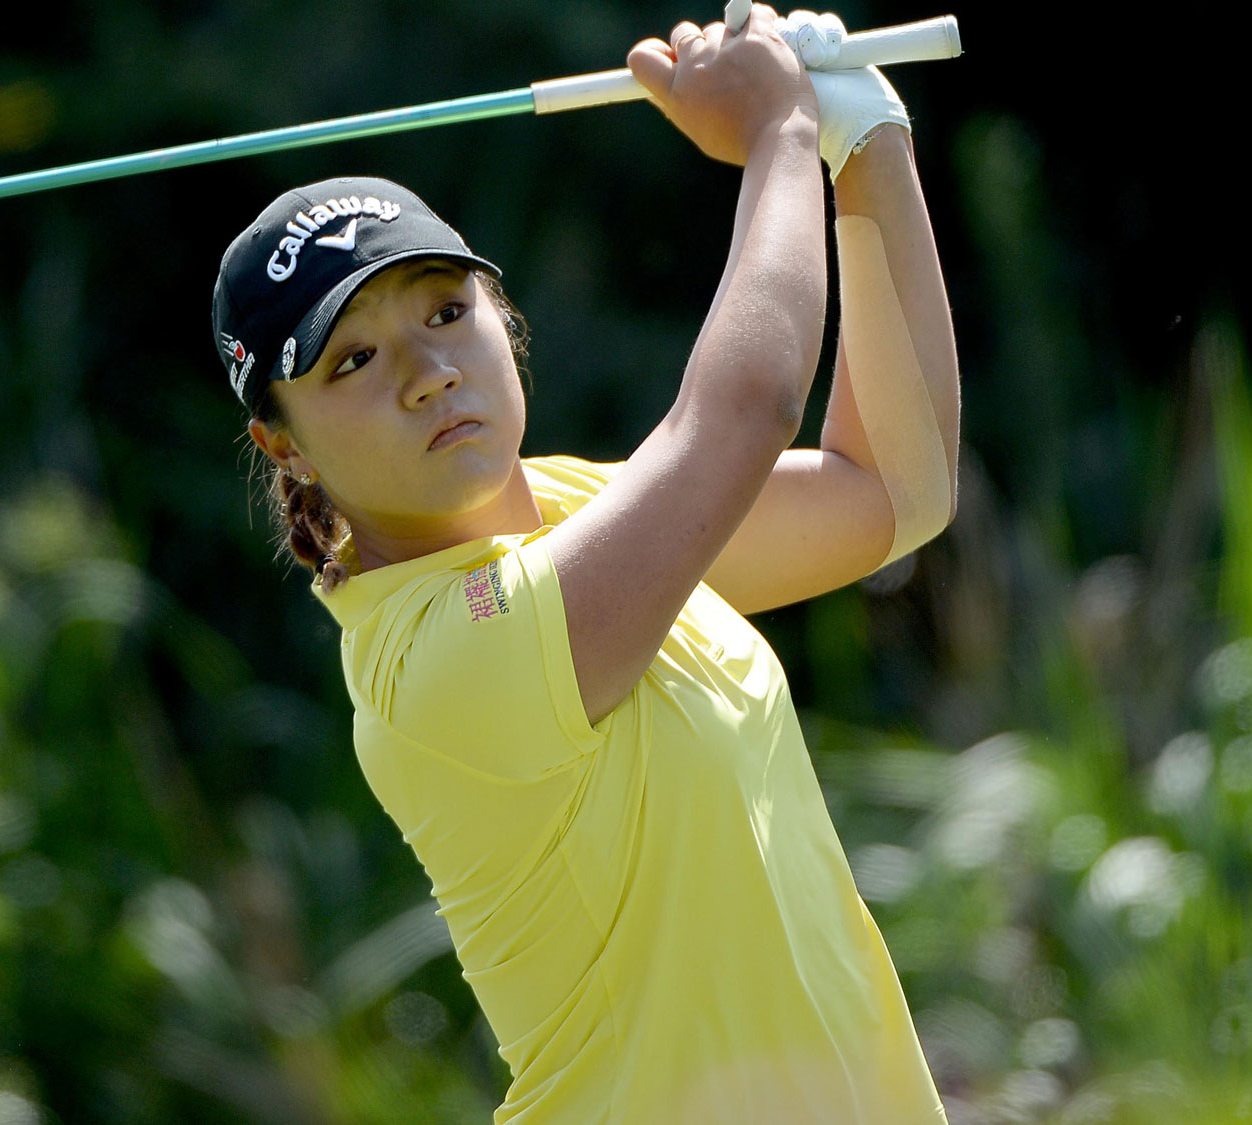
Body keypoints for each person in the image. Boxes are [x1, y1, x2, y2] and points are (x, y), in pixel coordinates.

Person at [209, 6, 958, 1121]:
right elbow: (742, 411)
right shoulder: (433, 668)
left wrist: (865, 153)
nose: (427, 374)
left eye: (446, 312)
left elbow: (891, 492)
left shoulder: (573, 512)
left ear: (500, 319)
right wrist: (779, 138)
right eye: (354, 357)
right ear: (283, 444)